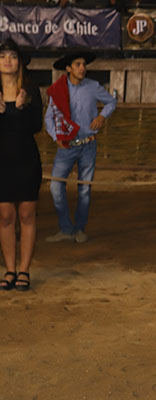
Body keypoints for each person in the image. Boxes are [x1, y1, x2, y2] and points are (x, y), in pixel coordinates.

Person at [44, 51, 117, 244]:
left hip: (88, 145)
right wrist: (55, 137)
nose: (82, 68)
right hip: (66, 147)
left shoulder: (93, 87)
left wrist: (102, 116)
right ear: (68, 68)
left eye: (83, 64)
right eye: (77, 64)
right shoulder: (59, 90)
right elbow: (48, 118)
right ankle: (66, 228)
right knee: (55, 186)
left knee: (84, 189)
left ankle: (79, 229)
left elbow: (111, 101)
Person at [0, 38, 43, 291]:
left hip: (26, 160)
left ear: (19, 63)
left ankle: (24, 270)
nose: (7, 60)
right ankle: (9, 270)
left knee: (27, 214)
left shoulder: (30, 90)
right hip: (1, 164)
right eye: (3, 56)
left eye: (12, 56)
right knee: (5, 215)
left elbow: (37, 126)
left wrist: (23, 108)